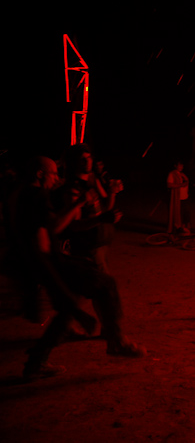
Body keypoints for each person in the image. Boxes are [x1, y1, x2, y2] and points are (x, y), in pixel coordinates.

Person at [10, 156, 146, 381]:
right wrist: (77, 203)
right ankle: (116, 340)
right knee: (103, 284)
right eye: (53, 173)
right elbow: (53, 228)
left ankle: (36, 362)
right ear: (40, 174)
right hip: (46, 262)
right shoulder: (36, 196)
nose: (56, 177)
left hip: (42, 261)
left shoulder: (23, 194)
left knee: (68, 308)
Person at [58, 144, 122, 274]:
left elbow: (106, 208)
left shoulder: (92, 181)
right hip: (89, 248)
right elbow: (74, 225)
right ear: (73, 162)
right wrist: (100, 219)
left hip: (101, 245)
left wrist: (112, 192)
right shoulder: (73, 190)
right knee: (102, 287)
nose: (87, 162)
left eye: (89, 157)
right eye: (82, 159)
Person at [167, 161, 190, 233]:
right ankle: (177, 229)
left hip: (185, 197)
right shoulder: (172, 174)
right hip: (178, 198)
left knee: (186, 213)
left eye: (182, 166)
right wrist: (180, 185)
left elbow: (186, 182)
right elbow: (169, 185)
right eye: (179, 165)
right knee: (178, 214)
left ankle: (184, 228)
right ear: (175, 166)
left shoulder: (181, 174)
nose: (181, 167)